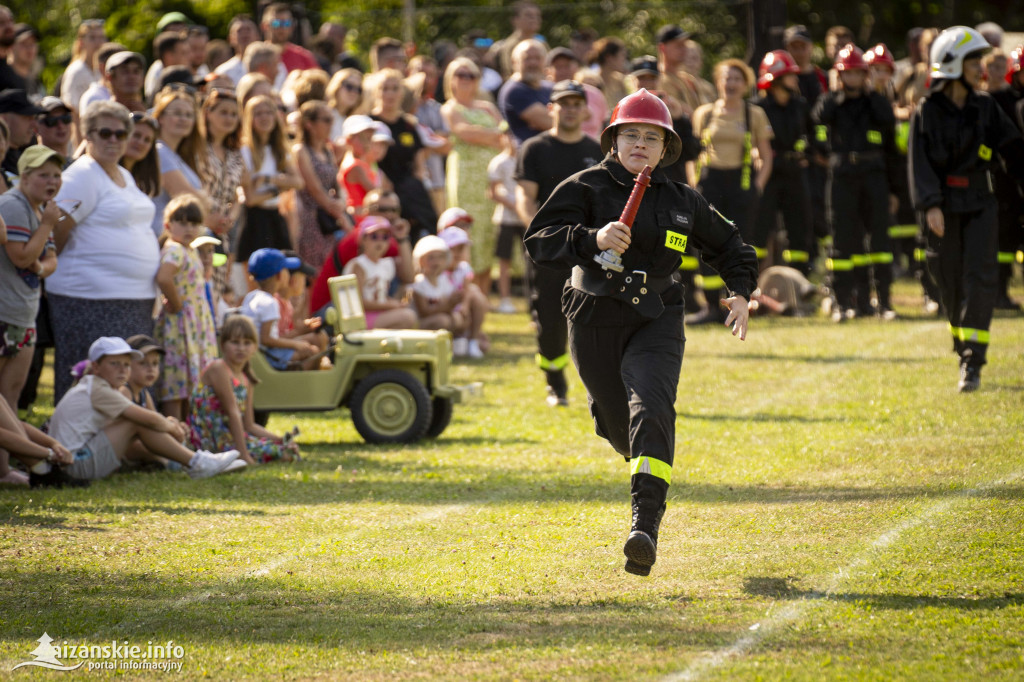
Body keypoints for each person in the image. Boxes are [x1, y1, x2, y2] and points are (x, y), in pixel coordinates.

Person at [524, 88, 758, 577]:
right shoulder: (584, 185)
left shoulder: (681, 199)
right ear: (613, 139)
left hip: (658, 316)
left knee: (652, 411)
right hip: (593, 316)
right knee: (620, 426)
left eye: (651, 138)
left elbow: (731, 245)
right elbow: (539, 240)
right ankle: (624, 433)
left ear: (665, 148)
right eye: (631, 134)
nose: (640, 144)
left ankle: (644, 526)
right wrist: (591, 239)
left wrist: (739, 291)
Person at [908, 26, 1024, 392]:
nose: (983, 68)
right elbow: (919, 163)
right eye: (976, 61)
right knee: (949, 280)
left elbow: (1015, 152)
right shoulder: (926, 111)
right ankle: (963, 345)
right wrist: (930, 205)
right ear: (953, 63)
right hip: (942, 208)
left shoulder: (986, 107)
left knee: (980, 279)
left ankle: (973, 361)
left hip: (980, 205)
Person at [49, 101, 159, 402]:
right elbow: (56, 230)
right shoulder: (82, 175)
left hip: (132, 300)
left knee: (126, 385)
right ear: (88, 135)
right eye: (105, 133)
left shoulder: (124, 174)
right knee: (91, 385)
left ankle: (124, 445)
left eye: (121, 134)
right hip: (89, 300)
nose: (114, 140)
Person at [45, 336, 244, 480]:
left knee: (143, 421)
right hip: (73, 465)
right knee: (136, 421)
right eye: (115, 364)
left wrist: (166, 424)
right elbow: (148, 419)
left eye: (126, 364)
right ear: (96, 367)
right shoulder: (98, 389)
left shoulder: (95, 386)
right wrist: (172, 427)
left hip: (72, 461)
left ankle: (194, 461)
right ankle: (197, 463)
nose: (123, 370)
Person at [515, 80, 603, 407]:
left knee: (595, 318)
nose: (569, 109)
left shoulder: (595, 151)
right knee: (550, 321)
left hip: (589, 250)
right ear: (552, 108)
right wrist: (540, 236)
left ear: (585, 110)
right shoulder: (535, 149)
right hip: (549, 251)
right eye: (563, 103)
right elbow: (524, 197)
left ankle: (599, 387)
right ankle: (556, 384)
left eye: (576, 103)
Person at [813, 45, 900, 321]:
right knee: (842, 240)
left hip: (873, 174)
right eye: (846, 73)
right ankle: (842, 302)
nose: (852, 79)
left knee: (879, 239)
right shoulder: (830, 103)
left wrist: (895, 189)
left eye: (857, 73)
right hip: (842, 176)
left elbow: (890, 141)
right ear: (840, 75)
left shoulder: (876, 102)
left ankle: (881, 302)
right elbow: (817, 121)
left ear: (865, 75)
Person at [688, 59, 772, 323]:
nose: (731, 83)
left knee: (742, 244)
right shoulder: (704, 113)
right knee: (707, 242)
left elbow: (768, 155)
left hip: (741, 183)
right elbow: (692, 153)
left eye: (737, 78)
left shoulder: (753, 114)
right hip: (709, 184)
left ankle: (742, 301)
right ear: (718, 82)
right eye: (727, 78)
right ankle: (712, 307)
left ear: (745, 84)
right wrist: (694, 185)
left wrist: (758, 185)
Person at [190, 315, 299, 465]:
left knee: (286, 450)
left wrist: (280, 440)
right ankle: (237, 457)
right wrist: (243, 455)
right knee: (278, 453)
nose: (241, 348)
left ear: (255, 347)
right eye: (235, 342)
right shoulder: (219, 368)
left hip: (233, 438)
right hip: (211, 440)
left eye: (247, 343)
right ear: (223, 345)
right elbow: (232, 412)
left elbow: (249, 425)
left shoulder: (247, 379)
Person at [0, 145, 62, 410]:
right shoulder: (13, 206)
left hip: (24, 317)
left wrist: (39, 268)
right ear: (24, 178)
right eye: (43, 175)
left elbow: (50, 261)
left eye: (56, 175)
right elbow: (22, 257)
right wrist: (47, 225)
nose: (52, 181)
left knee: (11, 398)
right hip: (4, 314)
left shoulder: (41, 209)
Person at [441, 56, 505, 294]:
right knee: (468, 228)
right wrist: (491, 134)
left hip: (489, 176)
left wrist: (482, 134)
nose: (466, 79)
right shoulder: (449, 107)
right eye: (461, 74)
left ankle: (485, 293)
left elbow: (504, 135)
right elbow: (463, 132)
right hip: (465, 176)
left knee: (488, 230)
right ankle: (467, 291)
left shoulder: (487, 106)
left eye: (472, 75)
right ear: (451, 80)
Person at [152, 194, 218, 421]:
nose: (189, 228)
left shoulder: (188, 249)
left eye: (194, 223)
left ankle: (190, 434)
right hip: (180, 324)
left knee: (190, 382)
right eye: (183, 223)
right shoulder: (175, 250)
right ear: (168, 225)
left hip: (194, 323)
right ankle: (174, 434)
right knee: (176, 381)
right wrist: (177, 303)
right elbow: (164, 278)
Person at [752, 50, 812, 274]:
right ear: (776, 79)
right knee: (759, 228)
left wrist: (809, 150)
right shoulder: (758, 108)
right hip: (768, 172)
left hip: (795, 172)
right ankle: (752, 284)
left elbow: (813, 133)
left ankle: (799, 282)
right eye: (790, 75)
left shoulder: (800, 105)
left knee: (799, 228)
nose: (795, 79)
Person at [235, 94, 304, 279]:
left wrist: (267, 179)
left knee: (287, 278)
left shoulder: (279, 148)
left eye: (269, 112)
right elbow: (251, 199)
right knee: (259, 280)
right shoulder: (245, 150)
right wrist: (281, 186)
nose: (265, 118)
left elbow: (298, 182)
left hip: (276, 216)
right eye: (258, 113)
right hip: (254, 221)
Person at [372, 68, 438, 241]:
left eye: (395, 88)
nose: (390, 94)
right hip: (381, 192)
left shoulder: (409, 124)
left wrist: (416, 183)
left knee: (428, 226)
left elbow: (419, 162)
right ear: (376, 92)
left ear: (402, 93)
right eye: (385, 88)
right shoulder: (369, 123)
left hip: (410, 190)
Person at [241, 248, 326, 370]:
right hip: (269, 355)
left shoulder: (251, 296)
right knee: (312, 352)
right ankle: (301, 386)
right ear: (279, 275)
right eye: (285, 269)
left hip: (261, 352)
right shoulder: (270, 303)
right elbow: (266, 339)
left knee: (309, 347)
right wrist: (296, 344)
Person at [294, 99, 349, 270]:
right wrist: (337, 210)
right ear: (309, 124)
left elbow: (337, 182)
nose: (331, 125)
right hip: (310, 219)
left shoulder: (327, 150)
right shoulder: (301, 151)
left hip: (328, 218)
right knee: (316, 270)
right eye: (326, 120)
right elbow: (314, 188)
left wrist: (340, 201)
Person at [342, 216, 418, 330]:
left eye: (385, 237)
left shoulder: (386, 264)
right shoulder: (358, 265)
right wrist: (391, 305)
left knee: (408, 310)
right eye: (374, 236)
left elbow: (409, 278)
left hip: (377, 315)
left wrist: (396, 303)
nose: (380, 241)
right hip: (360, 320)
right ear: (362, 239)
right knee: (408, 317)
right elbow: (356, 303)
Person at [151, 87, 209, 236]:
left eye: (189, 115)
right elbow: (187, 198)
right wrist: (207, 202)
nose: (183, 119)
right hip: (164, 240)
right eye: (177, 113)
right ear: (160, 118)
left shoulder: (177, 156)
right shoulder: (159, 151)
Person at [437, 220, 488, 357]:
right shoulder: (437, 271)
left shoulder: (464, 268)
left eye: (461, 248)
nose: (457, 253)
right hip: (443, 312)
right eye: (452, 249)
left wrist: (465, 306)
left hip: (460, 313)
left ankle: (472, 341)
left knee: (477, 296)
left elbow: (466, 289)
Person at [487, 130, 524, 314]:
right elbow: (492, 192)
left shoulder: (525, 159)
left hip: (525, 218)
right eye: (508, 135)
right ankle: (504, 298)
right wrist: (513, 205)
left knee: (531, 259)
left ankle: (533, 299)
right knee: (504, 260)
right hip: (506, 218)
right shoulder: (499, 162)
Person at [410, 235, 468, 336]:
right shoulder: (419, 283)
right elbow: (424, 312)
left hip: (441, 316)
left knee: (458, 318)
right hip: (419, 323)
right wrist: (449, 305)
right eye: (431, 257)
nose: (436, 262)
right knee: (443, 321)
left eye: (440, 257)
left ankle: (457, 341)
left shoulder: (444, 280)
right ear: (420, 260)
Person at [497, 40, 553, 145]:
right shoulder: (514, 90)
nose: (533, 63)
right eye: (527, 58)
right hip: (528, 155)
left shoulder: (550, 87)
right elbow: (551, 122)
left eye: (538, 58)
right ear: (514, 62)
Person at [60, 19, 107, 119]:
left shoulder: (101, 69)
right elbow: (71, 109)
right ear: (81, 42)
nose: (98, 43)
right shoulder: (75, 71)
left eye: (101, 37)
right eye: (92, 38)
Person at [120, 112, 160, 198]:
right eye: (136, 135)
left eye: (147, 140)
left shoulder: (144, 183)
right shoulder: (105, 172)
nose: (141, 142)